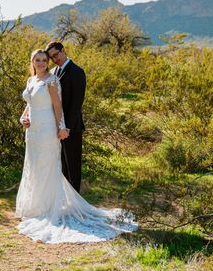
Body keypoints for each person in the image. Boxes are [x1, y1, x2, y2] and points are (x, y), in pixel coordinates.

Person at [15, 49, 136, 243]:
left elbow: (57, 106)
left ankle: (49, 208)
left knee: (48, 168)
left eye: (44, 60)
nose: (41, 63)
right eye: (37, 60)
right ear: (32, 61)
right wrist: (23, 117)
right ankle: (35, 207)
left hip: (47, 130)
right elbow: (30, 104)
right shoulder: (31, 81)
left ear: (48, 62)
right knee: (35, 167)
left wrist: (62, 127)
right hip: (33, 132)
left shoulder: (51, 80)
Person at [44, 41, 86, 193]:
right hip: (55, 127)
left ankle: (75, 202)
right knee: (61, 165)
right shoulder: (53, 72)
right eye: (51, 57)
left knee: (73, 166)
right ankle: (64, 198)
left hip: (71, 128)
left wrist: (66, 127)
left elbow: (77, 103)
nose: (55, 59)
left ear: (63, 51)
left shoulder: (77, 71)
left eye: (56, 55)